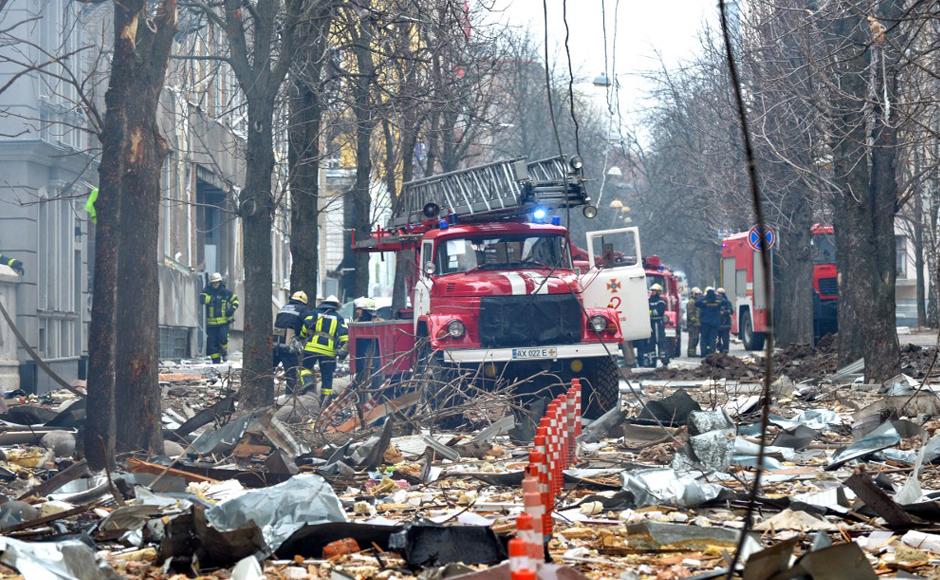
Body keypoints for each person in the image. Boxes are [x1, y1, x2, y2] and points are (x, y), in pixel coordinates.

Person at [299, 295, 348, 402]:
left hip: (312, 348)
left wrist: (302, 336)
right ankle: (325, 401)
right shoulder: (339, 318)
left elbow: (305, 327)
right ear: (336, 306)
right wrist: (341, 349)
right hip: (328, 352)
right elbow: (344, 336)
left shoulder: (315, 313)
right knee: (327, 376)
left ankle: (308, 382)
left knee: (304, 368)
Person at [273, 290, 310, 394]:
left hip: (275, 343)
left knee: (268, 371)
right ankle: (289, 397)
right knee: (291, 374)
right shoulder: (304, 310)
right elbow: (309, 324)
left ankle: (263, 393)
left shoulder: (283, 308)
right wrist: (303, 337)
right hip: (289, 345)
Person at [200, 272, 239, 363]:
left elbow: (235, 300)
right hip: (211, 324)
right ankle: (216, 361)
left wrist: (232, 309)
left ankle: (224, 352)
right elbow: (202, 299)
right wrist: (212, 298)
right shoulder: (207, 291)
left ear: (220, 282)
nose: (215, 284)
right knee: (212, 344)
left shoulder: (225, 292)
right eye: (213, 283)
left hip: (224, 322)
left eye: (217, 282)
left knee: (223, 338)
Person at [644, 283, 668, 367]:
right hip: (650, 323)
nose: (652, 292)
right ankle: (651, 361)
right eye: (652, 291)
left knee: (661, 342)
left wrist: (649, 312)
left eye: (654, 291)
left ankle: (665, 360)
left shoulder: (661, 301)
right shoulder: (647, 301)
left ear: (658, 292)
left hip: (658, 324)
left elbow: (658, 312)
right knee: (650, 343)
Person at [695, 287, 723, 356]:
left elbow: (697, 303)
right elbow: (725, 302)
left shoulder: (703, 300)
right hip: (714, 323)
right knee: (713, 338)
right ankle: (712, 352)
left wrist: (703, 297)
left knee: (704, 338)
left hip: (705, 323)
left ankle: (703, 352)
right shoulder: (718, 300)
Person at [686, 287, 702, 357]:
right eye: (697, 294)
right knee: (693, 339)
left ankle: (693, 352)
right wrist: (694, 321)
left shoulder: (697, 302)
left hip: (696, 324)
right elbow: (690, 313)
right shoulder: (691, 302)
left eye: (699, 294)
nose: (698, 295)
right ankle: (691, 353)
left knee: (695, 338)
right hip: (692, 324)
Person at [717, 288, 733, 353]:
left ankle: (723, 349)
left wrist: (723, 312)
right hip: (722, 324)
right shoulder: (726, 302)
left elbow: (730, 311)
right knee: (720, 338)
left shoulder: (727, 302)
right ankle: (722, 349)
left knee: (723, 338)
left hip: (724, 324)